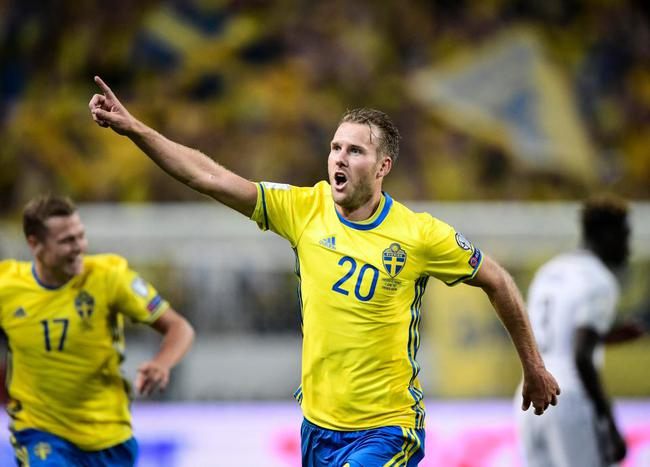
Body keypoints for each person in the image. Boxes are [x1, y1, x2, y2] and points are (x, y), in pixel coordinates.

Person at [89, 76, 560, 466]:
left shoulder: (419, 235)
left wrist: (533, 366)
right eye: (336, 147)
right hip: (317, 428)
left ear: (383, 167)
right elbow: (206, 176)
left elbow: (497, 280)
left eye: (355, 151)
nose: (339, 157)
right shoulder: (304, 209)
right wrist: (136, 130)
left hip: (387, 429)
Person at [0, 195, 195, 466]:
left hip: (109, 435)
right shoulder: (6, 286)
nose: (79, 247)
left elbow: (179, 327)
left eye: (81, 236)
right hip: (40, 431)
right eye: (67, 240)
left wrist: (162, 364)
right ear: (35, 244)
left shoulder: (110, 277)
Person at [516, 195, 644, 467]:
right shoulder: (599, 280)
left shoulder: (549, 271)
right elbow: (581, 355)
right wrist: (608, 421)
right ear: (607, 235)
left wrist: (615, 335)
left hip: (529, 395)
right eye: (624, 236)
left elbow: (560, 335)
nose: (628, 247)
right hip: (570, 398)